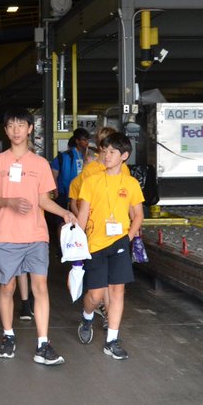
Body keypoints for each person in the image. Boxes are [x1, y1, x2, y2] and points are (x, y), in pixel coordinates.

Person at [0, 108, 76, 366]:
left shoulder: (40, 164)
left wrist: (65, 212)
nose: (16, 130)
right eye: (11, 125)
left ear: (29, 129)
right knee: (8, 287)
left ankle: (43, 343)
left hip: (36, 235)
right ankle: (8, 335)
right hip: (6, 235)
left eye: (20, 125)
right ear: (6, 130)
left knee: (40, 288)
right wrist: (9, 201)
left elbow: (43, 199)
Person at [75, 131, 144, 359]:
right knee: (95, 295)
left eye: (112, 152)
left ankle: (111, 340)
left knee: (117, 291)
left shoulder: (131, 184)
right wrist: (78, 244)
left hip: (120, 244)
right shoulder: (92, 181)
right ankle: (87, 317)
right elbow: (83, 215)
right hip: (95, 244)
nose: (106, 155)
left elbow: (138, 215)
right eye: (105, 151)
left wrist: (128, 238)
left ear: (124, 156)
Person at [51, 127, 91, 213]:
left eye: (87, 140)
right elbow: (53, 175)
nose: (87, 143)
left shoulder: (90, 157)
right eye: (84, 140)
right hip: (64, 195)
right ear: (77, 141)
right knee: (63, 222)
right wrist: (56, 193)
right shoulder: (64, 156)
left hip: (83, 195)